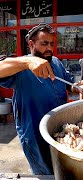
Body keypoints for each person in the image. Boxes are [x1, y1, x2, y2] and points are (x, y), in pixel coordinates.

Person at [0, 23, 73, 175]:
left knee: (61, 171)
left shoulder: (56, 63)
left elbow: (69, 83)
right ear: (31, 44)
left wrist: (80, 86)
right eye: (44, 43)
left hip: (59, 131)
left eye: (52, 44)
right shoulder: (21, 66)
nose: (49, 48)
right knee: (45, 173)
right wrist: (27, 62)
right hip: (34, 135)